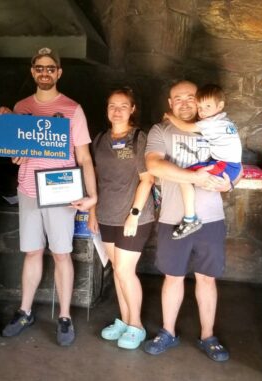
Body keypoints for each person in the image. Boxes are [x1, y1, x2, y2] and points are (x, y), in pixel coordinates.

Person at [2, 47, 97, 346]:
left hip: (60, 190)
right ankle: (25, 311)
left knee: (61, 253)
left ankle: (65, 316)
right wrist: (14, 156)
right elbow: (16, 153)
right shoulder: (21, 106)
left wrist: (91, 195)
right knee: (31, 252)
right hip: (28, 189)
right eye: (39, 67)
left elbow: (84, 157)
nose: (45, 72)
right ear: (33, 71)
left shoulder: (72, 109)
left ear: (59, 72)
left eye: (50, 68)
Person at [143, 80, 242, 362]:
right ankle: (167, 331)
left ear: (199, 101)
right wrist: (193, 177)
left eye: (190, 97)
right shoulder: (161, 130)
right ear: (170, 103)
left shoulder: (212, 126)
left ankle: (208, 336)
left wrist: (229, 185)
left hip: (211, 217)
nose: (185, 103)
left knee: (207, 279)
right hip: (173, 217)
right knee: (172, 277)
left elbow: (235, 167)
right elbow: (153, 164)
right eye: (178, 98)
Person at [88, 88, 155, 349]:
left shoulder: (139, 138)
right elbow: (94, 178)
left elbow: (147, 180)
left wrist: (134, 215)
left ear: (132, 109)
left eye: (123, 106)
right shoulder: (100, 139)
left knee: (125, 271)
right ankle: (125, 321)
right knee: (117, 271)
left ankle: (136, 325)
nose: (117, 110)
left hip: (134, 217)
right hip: (106, 215)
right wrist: (92, 213)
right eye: (112, 105)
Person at [163, 84, 242, 239]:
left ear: (220, 106)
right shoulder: (225, 121)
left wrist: (170, 116)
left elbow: (185, 127)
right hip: (231, 165)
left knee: (183, 176)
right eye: (200, 107)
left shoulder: (210, 123)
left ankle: (190, 219)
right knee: (186, 175)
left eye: (207, 106)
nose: (203, 111)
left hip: (225, 166)